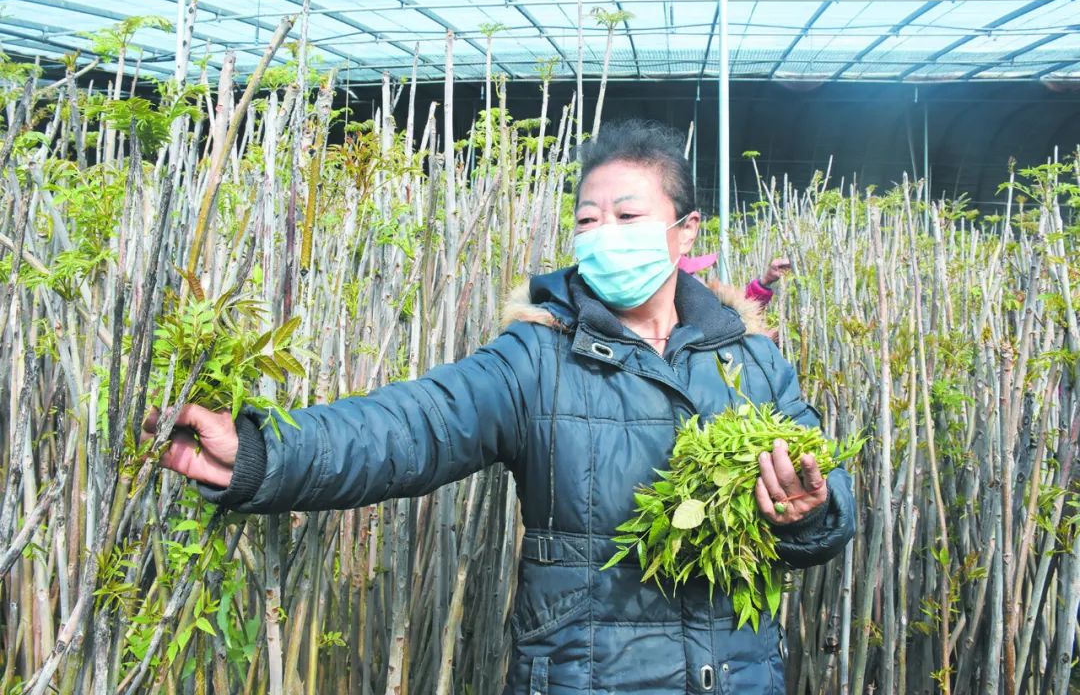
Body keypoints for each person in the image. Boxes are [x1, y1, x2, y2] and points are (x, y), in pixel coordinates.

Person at [148, 119, 854, 694]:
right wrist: (264, 453)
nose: (603, 231)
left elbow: (829, 504)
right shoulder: (536, 358)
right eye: (587, 218)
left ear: (686, 231)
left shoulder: (751, 362)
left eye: (628, 214)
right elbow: (411, 426)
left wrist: (811, 511)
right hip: (584, 678)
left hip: (730, 677)